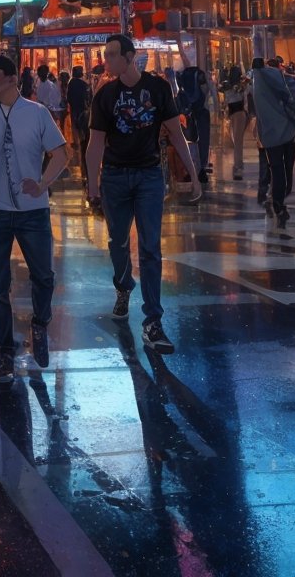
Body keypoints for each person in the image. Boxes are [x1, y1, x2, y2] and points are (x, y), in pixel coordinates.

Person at [0, 54, 69, 384]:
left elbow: (61, 155)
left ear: (11, 79)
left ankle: (40, 322)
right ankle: (6, 349)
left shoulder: (37, 114)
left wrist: (43, 183)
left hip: (33, 212)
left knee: (44, 276)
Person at [86, 34, 199, 355]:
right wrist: (92, 184)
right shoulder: (105, 94)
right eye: (105, 54)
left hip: (149, 175)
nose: (106, 61)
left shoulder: (159, 89)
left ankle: (153, 320)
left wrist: (193, 172)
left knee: (150, 247)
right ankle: (123, 287)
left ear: (129, 57)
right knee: (117, 242)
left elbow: (176, 132)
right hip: (115, 177)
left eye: (111, 55)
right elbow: (95, 143)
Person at [250, 55, 295, 228]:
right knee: (287, 169)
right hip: (288, 132)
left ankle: (278, 203)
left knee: (276, 170)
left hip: (270, 137)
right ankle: (281, 198)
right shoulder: (278, 76)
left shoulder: (255, 86)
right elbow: (292, 98)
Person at [176, 37, 211, 184]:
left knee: (190, 141)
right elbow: (207, 91)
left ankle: (191, 170)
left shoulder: (181, 76)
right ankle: (201, 168)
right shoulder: (200, 74)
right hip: (201, 111)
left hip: (187, 113)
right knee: (203, 140)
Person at [224, 65, 248, 180]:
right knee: (238, 141)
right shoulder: (241, 86)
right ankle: (238, 165)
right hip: (240, 114)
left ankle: (238, 166)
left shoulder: (227, 86)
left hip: (234, 114)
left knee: (237, 142)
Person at [65, 65, 91, 170]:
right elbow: (87, 97)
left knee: (75, 125)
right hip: (81, 108)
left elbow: (68, 96)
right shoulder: (83, 84)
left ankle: (77, 141)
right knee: (82, 124)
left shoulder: (71, 83)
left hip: (74, 108)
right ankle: (82, 139)